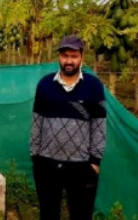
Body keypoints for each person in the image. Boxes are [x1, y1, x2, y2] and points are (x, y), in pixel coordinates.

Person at [29, 34, 107, 220]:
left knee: (81, 215)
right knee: (48, 214)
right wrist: (35, 155)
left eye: (73, 56)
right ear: (59, 57)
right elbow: (37, 121)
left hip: (81, 165)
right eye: (65, 56)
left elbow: (99, 126)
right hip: (47, 162)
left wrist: (95, 161)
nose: (69, 61)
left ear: (81, 57)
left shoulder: (93, 87)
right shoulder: (45, 85)